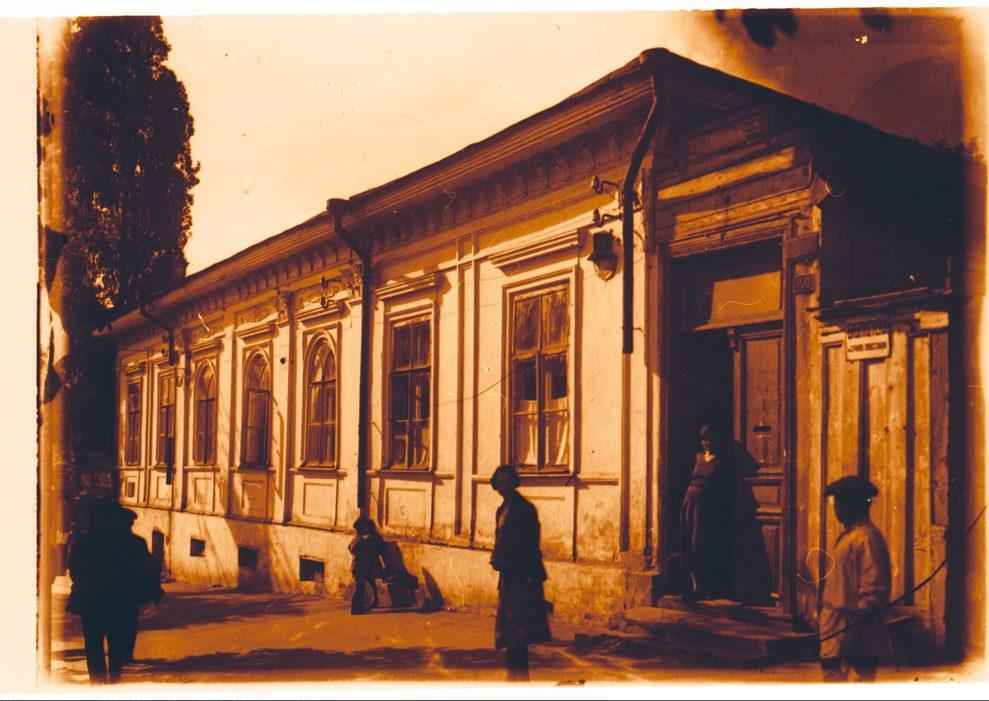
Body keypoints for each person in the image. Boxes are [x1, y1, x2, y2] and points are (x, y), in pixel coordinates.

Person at [66, 500, 162, 683]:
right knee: (116, 644)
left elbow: (75, 569)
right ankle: (114, 682)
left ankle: (98, 683)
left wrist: (85, 586)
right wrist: (145, 593)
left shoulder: (85, 541)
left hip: (92, 602)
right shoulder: (132, 542)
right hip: (120, 601)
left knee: (93, 645)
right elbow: (147, 569)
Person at [819, 475, 892, 682]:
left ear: (858, 504)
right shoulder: (850, 536)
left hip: (856, 634)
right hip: (836, 630)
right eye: (836, 503)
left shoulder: (866, 538)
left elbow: (873, 591)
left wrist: (853, 632)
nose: (837, 509)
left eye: (842, 502)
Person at [489, 464, 551, 682]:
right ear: (496, 485)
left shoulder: (525, 509)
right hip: (509, 575)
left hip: (523, 575)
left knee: (519, 632)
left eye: (508, 481)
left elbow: (529, 544)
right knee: (510, 630)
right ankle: (513, 675)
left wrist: (508, 561)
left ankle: (520, 679)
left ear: (514, 483)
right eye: (500, 482)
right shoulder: (502, 509)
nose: (504, 486)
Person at [679, 424, 732, 602]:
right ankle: (696, 587)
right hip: (690, 504)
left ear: (716, 439)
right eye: (703, 439)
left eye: (709, 439)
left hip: (707, 509)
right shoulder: (698, 457)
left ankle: (710, 587)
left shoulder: (720, 462)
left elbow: (722, 488)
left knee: (702, 544)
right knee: (689, 544)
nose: (706, 443)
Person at [348, 517, 385, 614]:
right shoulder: (360, 539)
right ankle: (355, 608)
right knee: (360, 587)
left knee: (362, 587)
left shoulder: (361, 538)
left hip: (363, 566)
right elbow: (353, 549)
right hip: (360, 567)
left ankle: (359, 607)